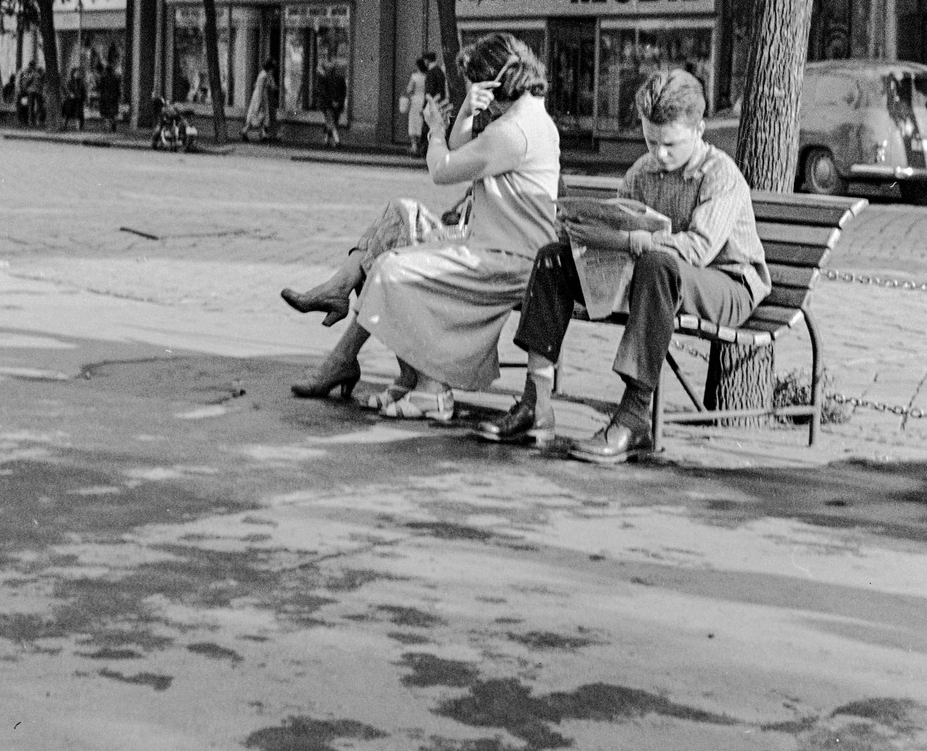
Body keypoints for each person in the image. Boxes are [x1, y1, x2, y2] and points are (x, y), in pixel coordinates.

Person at [486, 68, 769, 462]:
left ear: (700, 129)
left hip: (728, 284)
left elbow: (699, 249)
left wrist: (632, 240)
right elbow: (618, 223)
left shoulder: (721, 175)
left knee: (658, 262)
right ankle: (537, 403)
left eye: (670, 144)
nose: (659, 153)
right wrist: (583, 231)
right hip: (658, 278)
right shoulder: (643, 171)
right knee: (553, 259)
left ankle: (634, 416)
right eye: (651, 141)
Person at [287, 33, 561, 421]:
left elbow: (443, 169)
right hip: (491, 245)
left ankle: (423, 383)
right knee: (401, 216)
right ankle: (376, 347)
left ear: (492, 84)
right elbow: (464, 145)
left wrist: (434, 129)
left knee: (392, 265)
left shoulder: (513, 132)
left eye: (473, 84)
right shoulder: (525, 118)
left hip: (506, 261)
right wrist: (466, 108)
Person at [244, 58, 278, 142]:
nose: (273, 70)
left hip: (261, 96)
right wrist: (259, 102)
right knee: (260, 115)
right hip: (261, 97)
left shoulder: (263, 74)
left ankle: (262, 134)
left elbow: (257, 85)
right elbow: (261, 88)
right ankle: (247, 131)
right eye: (272, 68)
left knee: (261, 116)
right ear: (269, 68)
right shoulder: (264, 76)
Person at [421, 52, 448, 147]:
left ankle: (424, 149)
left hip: (432, 104)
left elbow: (429, 91)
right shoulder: (439, 71)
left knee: (427, 127)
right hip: (440, 102)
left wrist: (424, 105)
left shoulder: (431, 72)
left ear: (427, 60)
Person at [403, 56, 429, 154]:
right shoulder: (427, 76)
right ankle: (422, 145)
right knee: (422, 122)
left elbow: (409, 89)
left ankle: (414, 146)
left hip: (415, 101)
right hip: (425, 100)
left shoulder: (414, 76)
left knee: (413, 123)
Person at [318, 61, 347, 147]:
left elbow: (324, 92)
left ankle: (335, 141)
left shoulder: (324, 79)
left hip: (328, 104)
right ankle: (328, 140)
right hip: (337, 104)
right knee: (333, 121)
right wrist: (338, 102)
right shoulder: (341, 79)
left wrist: (331, 101)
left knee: (330, 122)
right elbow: (343, 92)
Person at [98, 60, 122, 133]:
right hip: (114, 98)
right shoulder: (116, 78)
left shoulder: (103, 78)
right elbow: (118, 89)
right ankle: (113, 123)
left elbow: (100, 87)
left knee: (106, 114)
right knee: (113, 112)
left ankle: (108, 128)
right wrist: (119, 96)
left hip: (105, 97)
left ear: (106, 70)